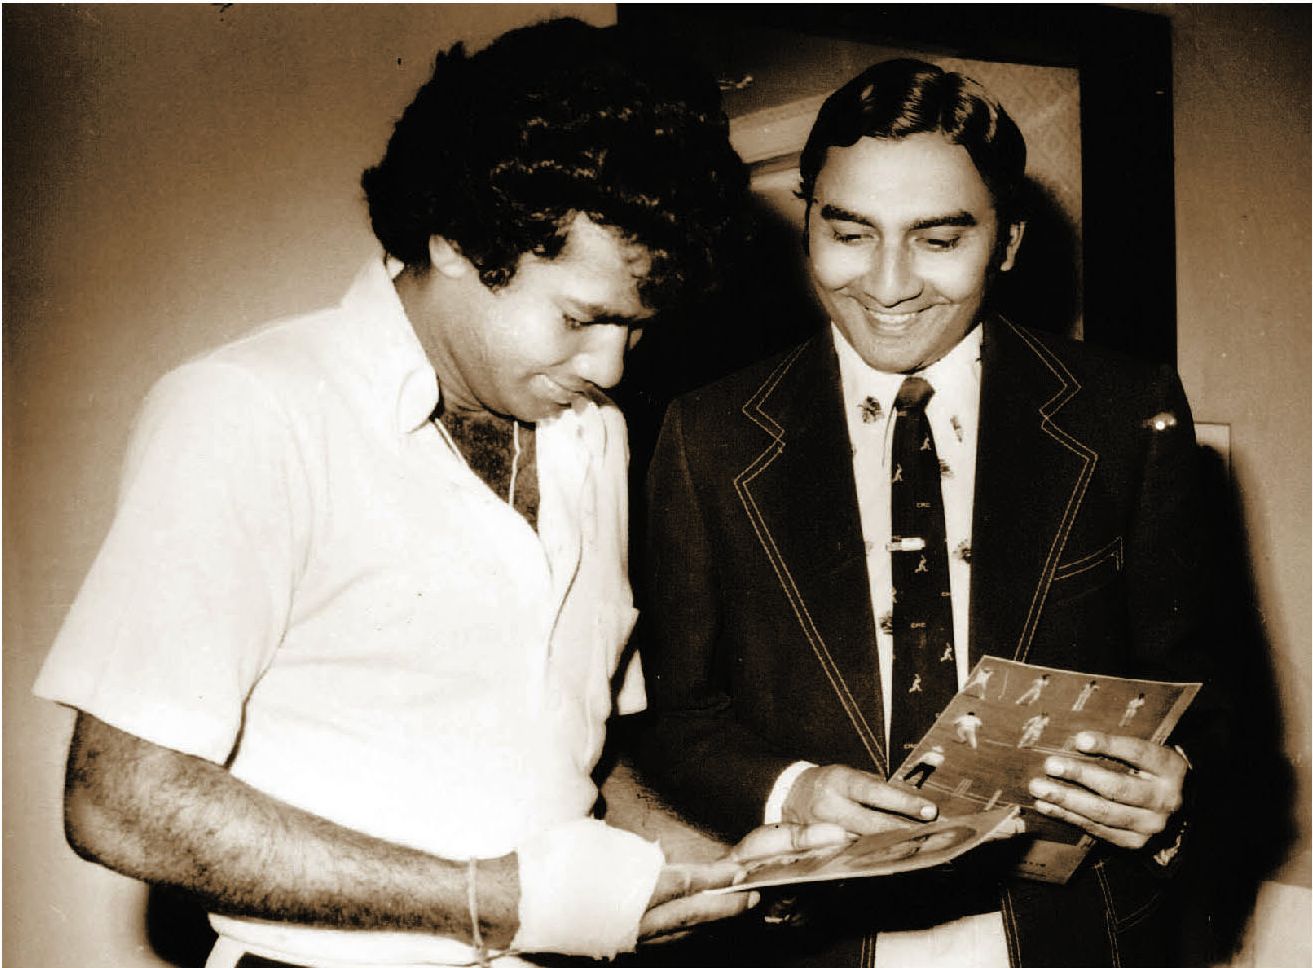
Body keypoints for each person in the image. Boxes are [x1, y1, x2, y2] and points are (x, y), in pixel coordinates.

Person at [33, 19, 846, 968]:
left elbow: (571, 763)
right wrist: (489, 903)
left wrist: (711, 868)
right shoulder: (252, 410)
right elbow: (119, 801)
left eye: (636, 327)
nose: (612, 367)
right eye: (581, 318)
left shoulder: (593, 433)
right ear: (458, 239)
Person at [635, 58, 1215, 967]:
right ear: (806, 224)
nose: (888, 283)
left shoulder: (1126, 414)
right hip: (807, 941)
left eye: (938, 239)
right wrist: (791, 789)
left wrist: (1173, 799)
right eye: (849, 233)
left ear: (1007, 242)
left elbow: (1208, 699)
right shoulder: (705, 432)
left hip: (1069, 938)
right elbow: (670, 717)